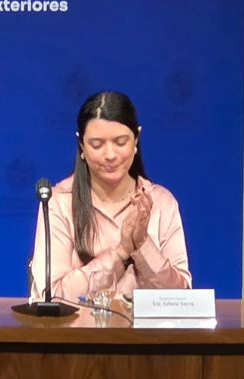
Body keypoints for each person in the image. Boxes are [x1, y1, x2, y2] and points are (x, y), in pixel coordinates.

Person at [29, 91, 191, 302]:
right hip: (77, 334)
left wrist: (142, 245)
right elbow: (49, 297)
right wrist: (120, 252)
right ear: (81, 146)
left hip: (147, 335)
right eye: (97, 145)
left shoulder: (161, 203)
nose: (110, 155)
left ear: (136, 140)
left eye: (120, 142)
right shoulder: (59, 203)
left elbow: (182, 300)